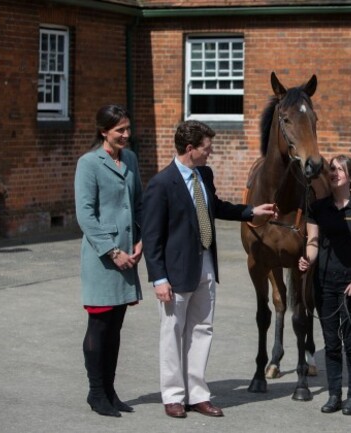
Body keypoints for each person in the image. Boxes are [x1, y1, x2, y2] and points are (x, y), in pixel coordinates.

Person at [141, 120, 276, 419]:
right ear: (190, 149)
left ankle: (198, 394)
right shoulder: (161, 184)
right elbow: (151, 237)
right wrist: (158, 278)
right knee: (173, 333)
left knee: (202, 329)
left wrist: (250, 212)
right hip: (175, 272)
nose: (210, 152)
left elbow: (214, 206)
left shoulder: (205, 174)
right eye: (206, 148)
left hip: (205, 263)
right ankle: (174, 396)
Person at [74, 104, 143, 417]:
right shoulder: (88, 164)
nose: (127, 135)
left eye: (128, 129)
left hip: (128, 256)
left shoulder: (130, 158)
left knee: (115, 327)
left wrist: (141, 240)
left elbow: (138, 204)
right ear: (104, 131)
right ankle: (96, 392)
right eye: (120, 131)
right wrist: (113, 251)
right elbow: (85, 215)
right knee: (99, 325)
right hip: (104, 259)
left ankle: (111, 391)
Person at [298, 155, 351, 416]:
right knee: (331, 342)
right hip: (324, 283)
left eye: (340, 170)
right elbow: (312, 241)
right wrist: (307, 261)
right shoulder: (317, 208)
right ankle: (334, 394)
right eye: (331, 169)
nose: (334, 173)